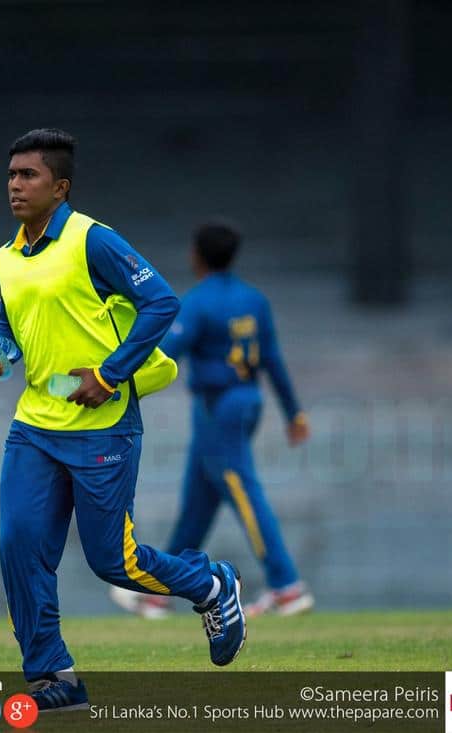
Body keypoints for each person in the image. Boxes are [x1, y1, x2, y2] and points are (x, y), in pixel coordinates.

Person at [0, 129, 247, 712]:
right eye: (11, 175)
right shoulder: (6, 257)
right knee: (19, 546)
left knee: (112, 561)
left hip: (102, 423)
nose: (15, 185)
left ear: (60, 187)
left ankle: (211, 585)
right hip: (35, 425)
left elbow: (162, 302)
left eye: (29, 175)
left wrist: (111, 373)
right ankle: (54, 677)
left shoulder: (92, 240)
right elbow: (12, 336)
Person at [111, 221, 314, 620]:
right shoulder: (254, 300)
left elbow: (165, 352)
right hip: (248, 400)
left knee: (243, 490)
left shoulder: (199, 302)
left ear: (197, 255)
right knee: (198, 505)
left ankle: (286, 586)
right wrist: (294, 413)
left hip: (219, 407)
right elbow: (272, 359)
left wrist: (114, 375)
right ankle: (160, 592)